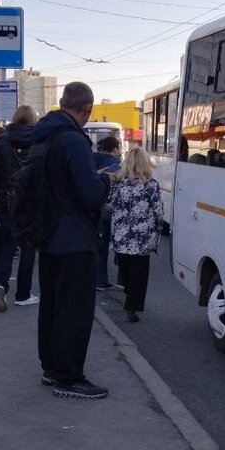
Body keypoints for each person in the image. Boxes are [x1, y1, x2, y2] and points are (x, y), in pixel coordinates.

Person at [32, 82, 112, 399]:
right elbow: (90, 194)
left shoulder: (44, 134)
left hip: (48, 234)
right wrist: (106, 179)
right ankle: (70, 378)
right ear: (86, 110)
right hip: (75, 238)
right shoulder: (73, 140)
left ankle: (52, 369)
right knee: (75, 310)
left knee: (51, 305)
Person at [0, 105, 39, 311]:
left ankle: (0, 286)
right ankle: (23, 294)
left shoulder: (2, 140)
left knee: (6, 246)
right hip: (30, 201)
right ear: (33, 119)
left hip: (5, 200)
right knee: (28, 247)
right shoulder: (38, 139)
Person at [109, 148, 163, 323]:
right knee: (139, 274)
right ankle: (132, 306)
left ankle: (127, 293)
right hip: (142, 238)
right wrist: (157, 231)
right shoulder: (151, 184)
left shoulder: (118, 183)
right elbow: (158, 211)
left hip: (122, 236)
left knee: (125, 270)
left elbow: (109, 204)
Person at [93, 136, 123, 291]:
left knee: (99, 245)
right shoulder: (114, 164)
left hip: (95, 207)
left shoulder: (91, 158)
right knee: (111, 245)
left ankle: (99, 279)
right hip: (109, 209)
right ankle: (102, 281)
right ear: (115, 148)